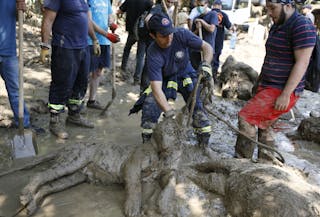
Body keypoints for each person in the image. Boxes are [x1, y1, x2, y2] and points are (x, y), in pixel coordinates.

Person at [235, 0, 316, 160]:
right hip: (267, 86)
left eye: (273, 8)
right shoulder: (277, 25)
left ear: (288, 5)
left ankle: (241, 164)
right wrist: (259, 83)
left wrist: (286, 94)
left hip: (281, 89)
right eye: (268, 8)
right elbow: (270, 57)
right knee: (265, 125)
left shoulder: (301, 26)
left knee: (246, 119)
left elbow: (302, 62)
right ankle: (266, 163)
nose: (270, 13)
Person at [130, 13, 214, 148]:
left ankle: (203, 147)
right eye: (163, 35)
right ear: (153, 36)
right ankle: (147, 146)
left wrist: (206, 64)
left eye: (170, 33)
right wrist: (169, 112)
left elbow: (207, 47)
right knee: (150, 107)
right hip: (164, 79)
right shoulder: (153, 54)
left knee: (197, 108)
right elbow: (156, 89)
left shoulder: (181, 34)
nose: (169, 38)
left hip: (185, 74)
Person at [40, 0, 101, 139]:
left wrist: (94, 39)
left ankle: (74, 115)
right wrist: (44, 45)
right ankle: (55, 121)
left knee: (81, 83)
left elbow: (86, 20)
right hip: (64, 47)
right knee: (62, 84)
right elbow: (48, 20)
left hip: (83, 47)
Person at [0, 0, 31, 129]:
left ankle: (23, 125)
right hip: (8, 50)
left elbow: (18, 18)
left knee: (16, 90)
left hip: (8, 50)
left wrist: (21, 8)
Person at [87, 0, 118, 110]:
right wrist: (107, 34)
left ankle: (92, 100)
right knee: (85, 72)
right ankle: (75, 102)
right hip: (90, 41)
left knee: (98, 72)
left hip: (104, 42)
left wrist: (111, 23)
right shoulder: (89, 1)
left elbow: (110, 15)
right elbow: (89, 21)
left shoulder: (106, 1)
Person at [117, 0, 153, 85]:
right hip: (142, 32)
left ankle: (123, 68)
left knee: (127, 49)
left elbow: (119, 11)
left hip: (132, 31)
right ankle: (137, 79)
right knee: (140, 56)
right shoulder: (148, 2)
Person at [190, 0, 218, 70]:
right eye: (198, 6)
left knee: (206, 72)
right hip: (196, 50)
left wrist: (202, 22)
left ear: (207, 4)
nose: (200, 8)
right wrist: (197, 29)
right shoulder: (196, 18)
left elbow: (211, 29)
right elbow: (191, 35)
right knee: (195, 72)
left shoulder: (213, 14)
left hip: (208, 51)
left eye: (202, 6)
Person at [211, 0, 231, 78]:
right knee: (216, 58)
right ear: (220, 6)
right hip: (218, 41)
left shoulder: (208, 14)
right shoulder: (224, 15)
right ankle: (214, 75)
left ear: (213, 5)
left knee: (206, 57)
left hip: (208, 39)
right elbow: (229, 26)